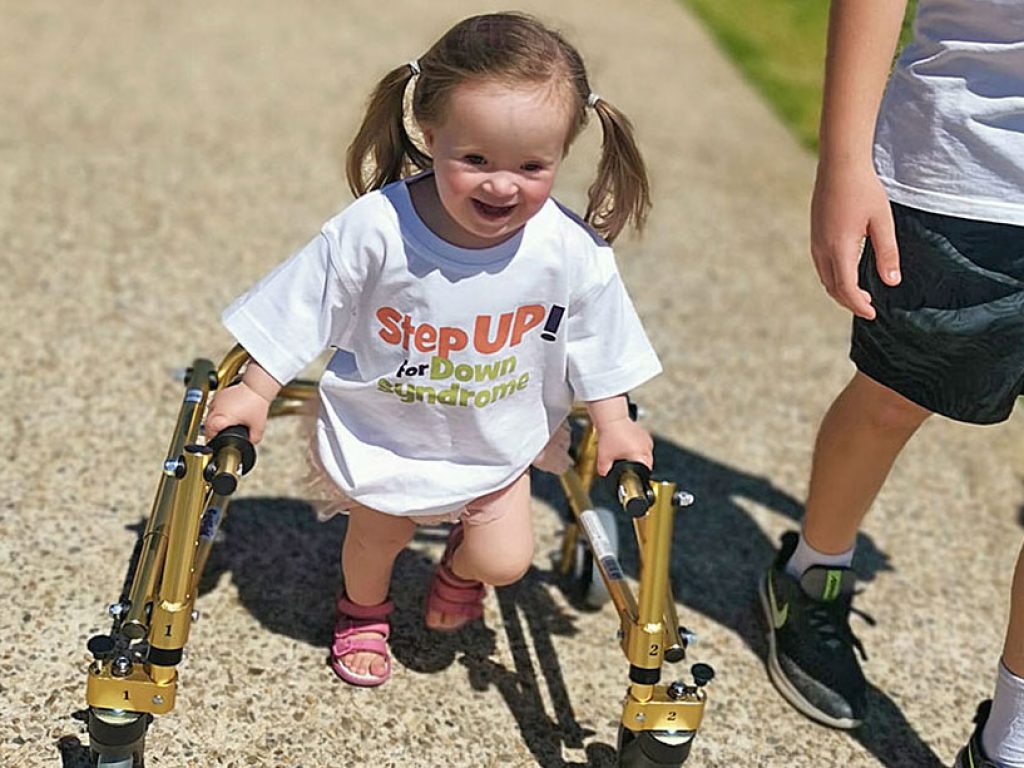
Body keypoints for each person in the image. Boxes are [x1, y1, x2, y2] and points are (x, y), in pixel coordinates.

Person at [204, 12, 661, 689]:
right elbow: (305, 307)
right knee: (376, 541)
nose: (502, 186)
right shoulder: (377, 229)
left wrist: (617, 422)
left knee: (505, 561)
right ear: (429, 133)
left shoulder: (569, 252)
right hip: (389, 434)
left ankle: (456, 568)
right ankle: (362, 612)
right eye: (474, 160)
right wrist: (255, 388)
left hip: (494, 440)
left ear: (563, 154)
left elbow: (601, 339)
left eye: (532, 167)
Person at [758, 0, 1024, 764]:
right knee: (890, 404)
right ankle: (812, 575)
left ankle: (1009, 741)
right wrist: (844, 160)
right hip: (969, 172)